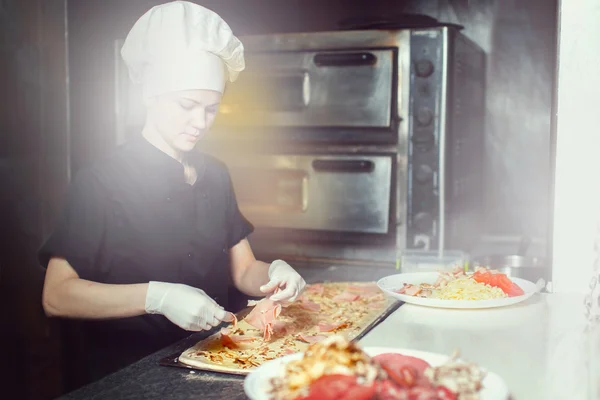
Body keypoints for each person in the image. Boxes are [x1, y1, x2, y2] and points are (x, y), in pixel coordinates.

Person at [38, 1, 306, 385]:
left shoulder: (215, 174)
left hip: (212, 364)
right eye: (187, 105)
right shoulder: (100, 181)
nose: (199, 122)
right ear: (150, 94)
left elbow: (244, 270)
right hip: (126, 378)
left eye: (210, 109)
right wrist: (157, 297)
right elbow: (57, 295)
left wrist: (276, 273)